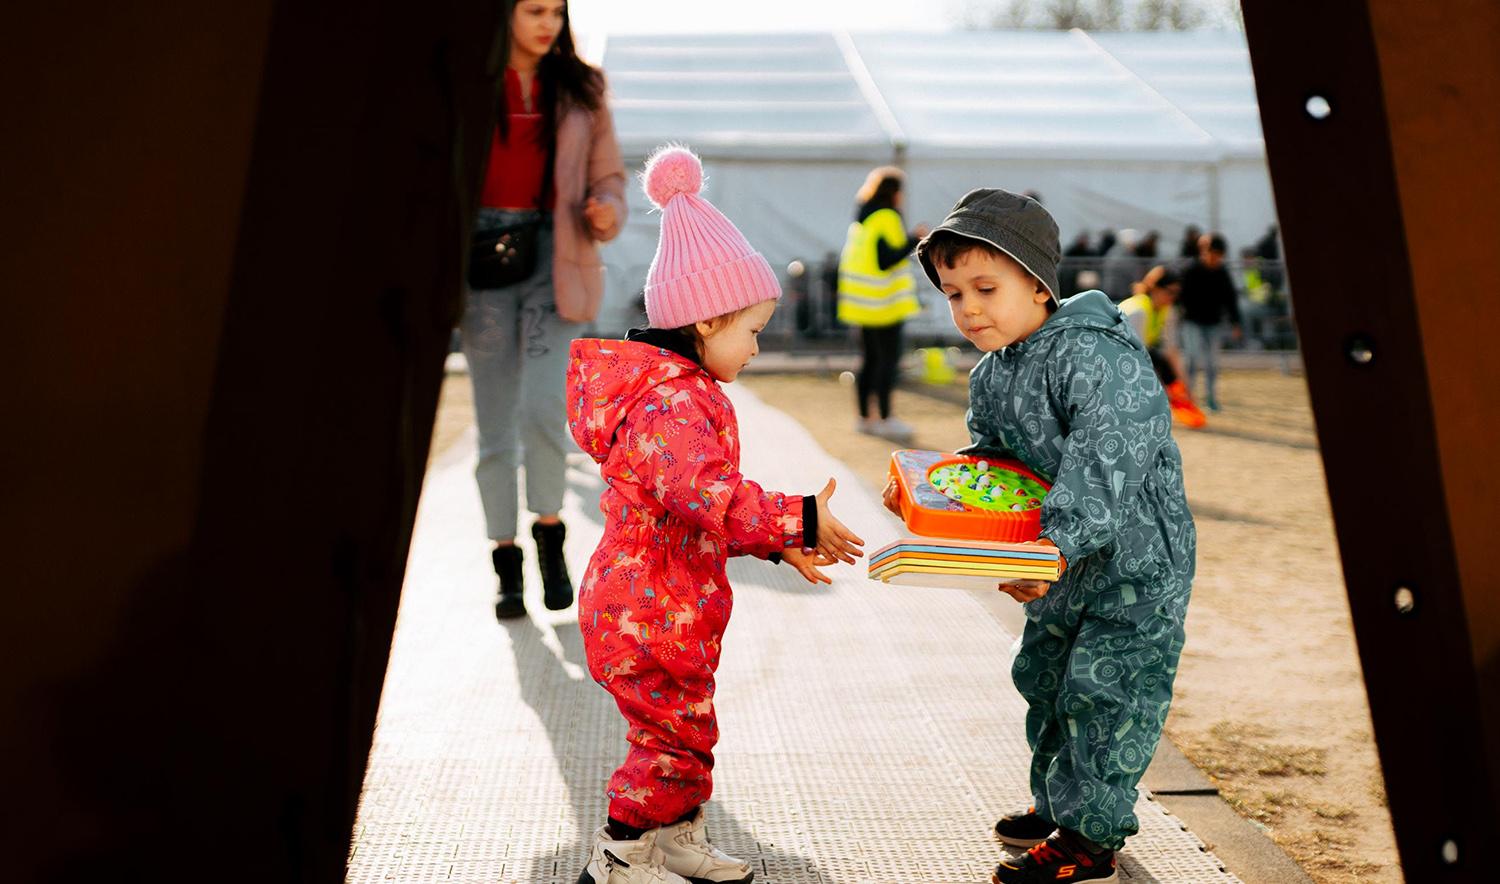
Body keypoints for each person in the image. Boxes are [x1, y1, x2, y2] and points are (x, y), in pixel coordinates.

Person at [567, 146, 866, 884]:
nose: (758, 347)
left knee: (685, 731)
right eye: (753, 330)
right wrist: (794, 519)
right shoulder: (672, 400)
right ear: (707, 321)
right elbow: (709, 494)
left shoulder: (682, 391)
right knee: (670, 737)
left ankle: (675, 839)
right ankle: (620, 856)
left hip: (667, 597)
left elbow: (695, 514)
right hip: (647, 607)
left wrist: (773, 548)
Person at [891, 189, 1195, 884]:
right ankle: (1061, 802)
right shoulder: (993, 374)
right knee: (1047, 679)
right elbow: (995, 468)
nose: (968, 309)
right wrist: (931, 489)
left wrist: (1048, 550)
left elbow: (1103, 463)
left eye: (985, 288)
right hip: (1055, 563)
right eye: (951, 293)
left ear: (1037, 282)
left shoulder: (1097, 357)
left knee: (1106, 690)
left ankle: (1091, 837)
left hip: (1133, 564)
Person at [464, 0, 625, 621]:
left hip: (555, 262)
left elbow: (607, 176)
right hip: (482, 265)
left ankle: (550, 538)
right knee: (494, 425)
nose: (547, 23)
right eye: (534, 10)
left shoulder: (582, 87)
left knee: (540, 409)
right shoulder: (470, 84)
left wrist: (606, 207)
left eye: (556, 12)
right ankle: (506, 563)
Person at [837, 167, 929, 441]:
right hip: (885, 305)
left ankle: (865, 417)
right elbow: (886, 260)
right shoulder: (887, 216)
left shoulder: (862, 218)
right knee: (887, 363)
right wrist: (914, 239)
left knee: (869, 362)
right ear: (895, 193)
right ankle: (887, 418)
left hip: (862, 305)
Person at [1121, 266, 1205, 429]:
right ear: (1155, 288)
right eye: (1169, 292)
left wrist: (1186, 388)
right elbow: (1137, 360)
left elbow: (1171, 351)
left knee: (1162, 364)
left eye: (1176, 293)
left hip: (1138, 351)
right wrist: (1162, 392)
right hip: (1116, 354)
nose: (1173, 298)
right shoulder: (1139, 311)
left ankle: (1179, 404)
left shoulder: (1166, 310)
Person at [1177, 233, 1243, 411]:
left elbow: (1231, 299)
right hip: (1192, 322)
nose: (1214, 258)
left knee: (1212, 363)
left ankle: (1211, 398)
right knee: (1191, 359)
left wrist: (1236, 322)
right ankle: (1189, 397)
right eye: (1212, 253)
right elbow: (1180, 296)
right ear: (1204, 251)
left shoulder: (1222, 273)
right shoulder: (1191, 270)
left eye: (1218, 255)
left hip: (1213, 323)